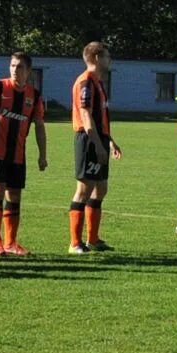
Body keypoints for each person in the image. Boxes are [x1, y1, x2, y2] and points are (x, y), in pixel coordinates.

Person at [0, 50, 48, 257]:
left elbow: (40, 126)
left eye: (19, 67)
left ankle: (11, 242)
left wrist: (43, 154)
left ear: (28, 71)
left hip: (18, 154)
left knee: (15, 195)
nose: (14, 70)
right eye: (12, 66)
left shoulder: (34, 96)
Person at [68, 41, 119, 253]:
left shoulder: (98, 83)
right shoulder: (86, 82)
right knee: (84, 189)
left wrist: (109, 140)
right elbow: (86, 115)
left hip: (99, 139)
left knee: (101, 187)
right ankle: (74, 243)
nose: (109, 60)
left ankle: (93, 239)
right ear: (97, 58)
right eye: (107, 56)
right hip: (88, 139)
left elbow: (100, 118)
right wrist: (97, 144)